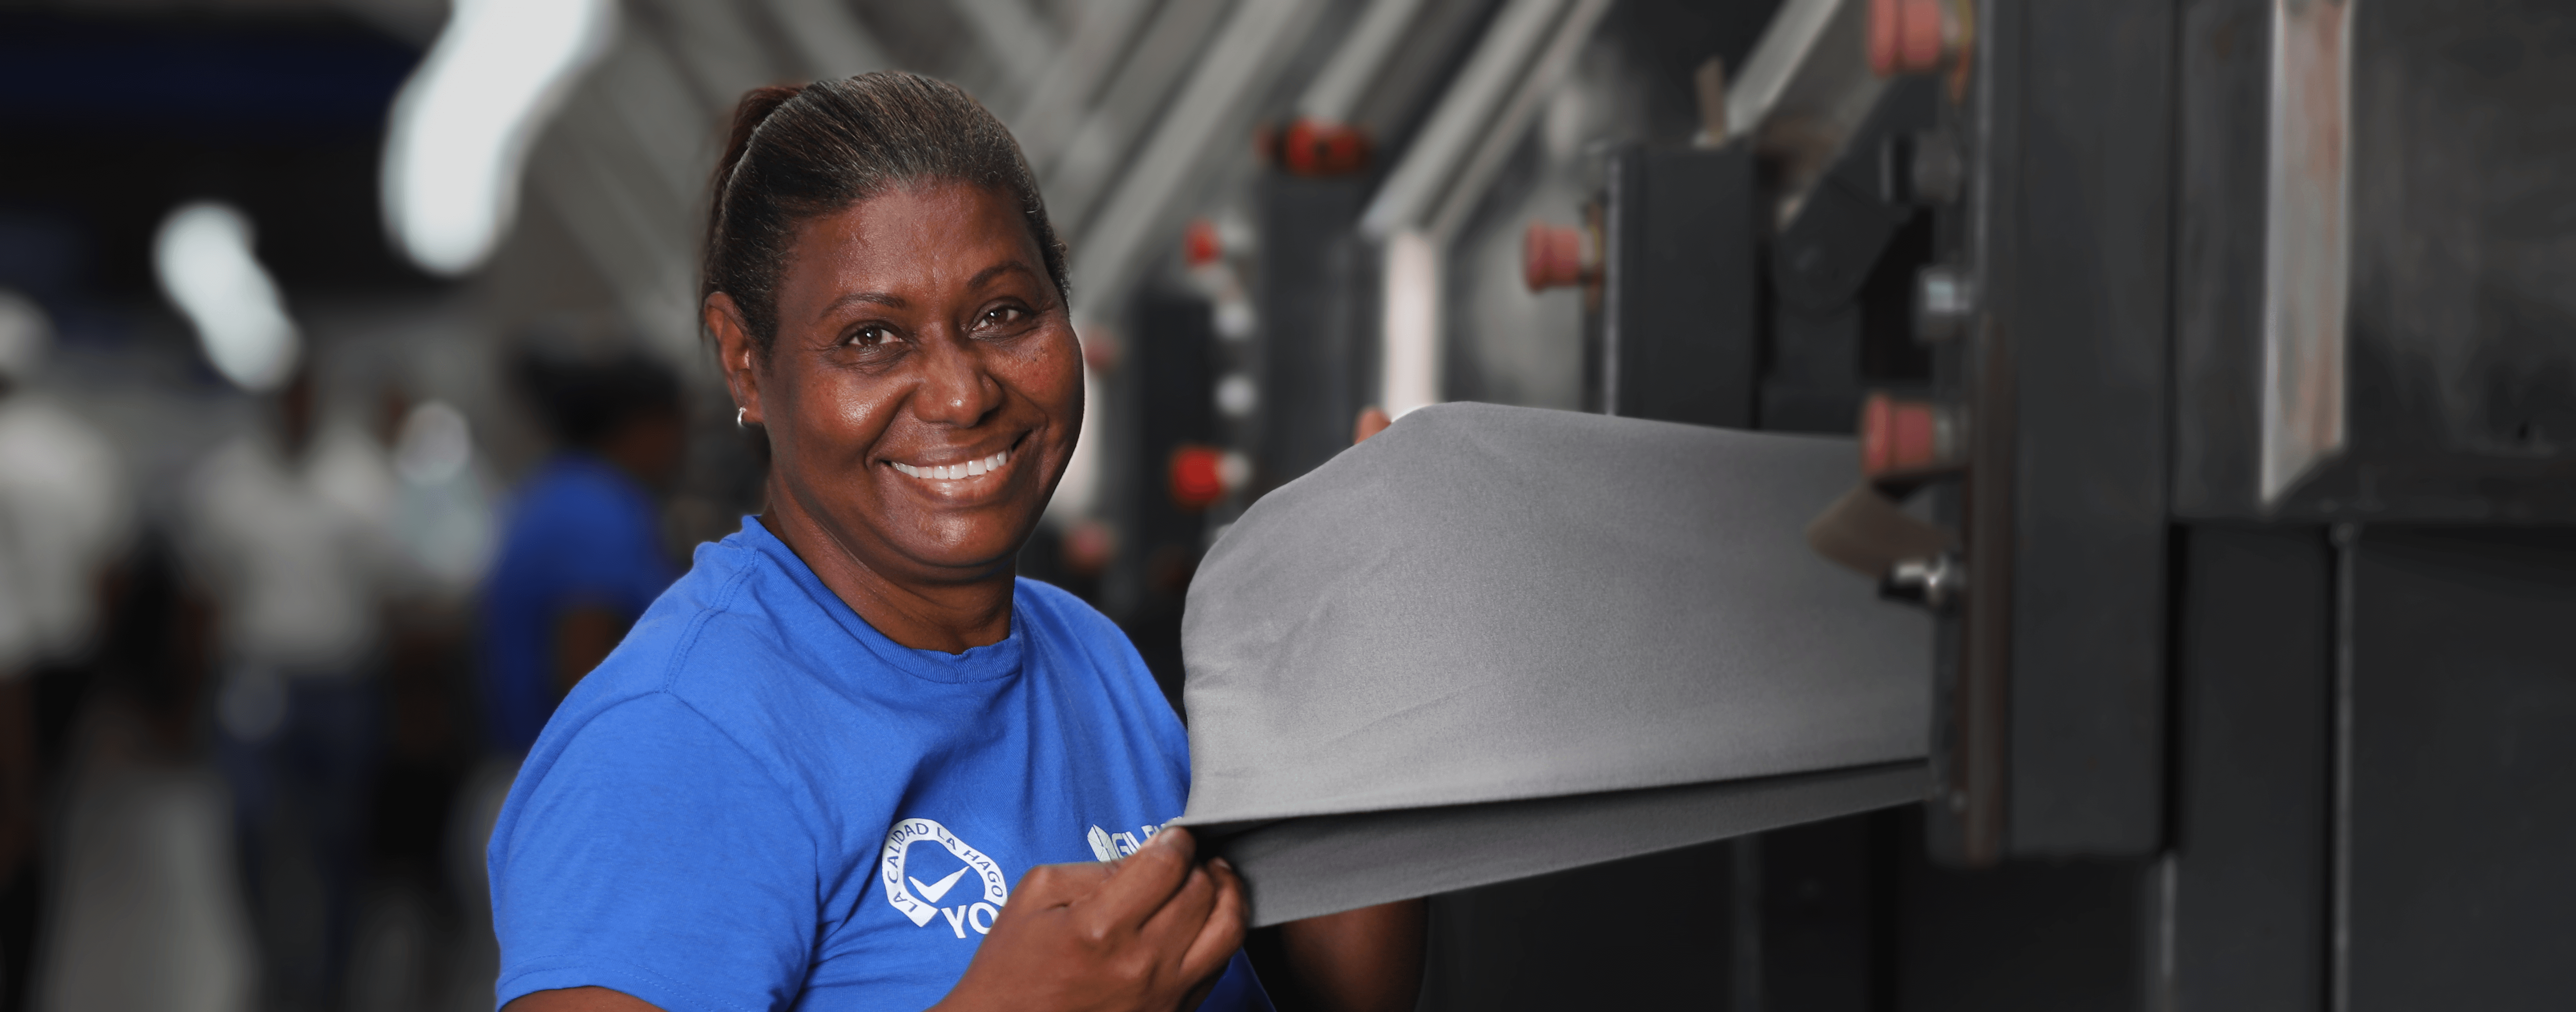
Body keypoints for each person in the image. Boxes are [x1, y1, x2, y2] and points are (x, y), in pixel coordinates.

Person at [487, 73, 1423, 1012]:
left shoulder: (1087, 656)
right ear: (743, 357)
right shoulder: (677, 735)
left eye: (1003, 314)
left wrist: (1372, 645)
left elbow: (1335, 1000)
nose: (962, 392)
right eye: (870, 337)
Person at [181, 363, 420, 1012]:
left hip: (342, 684)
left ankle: (332, 976)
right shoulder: (226, 483)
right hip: (255, 681)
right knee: (251, 828)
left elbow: (395, 593)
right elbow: (204, 591)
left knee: (339, 836)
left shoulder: (365, 482)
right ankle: (271, 963)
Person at [0, 291, 132, 1012]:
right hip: (62, 662)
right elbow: (106, 573)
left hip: (17, 660)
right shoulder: (80, 452)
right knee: (38, 825)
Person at [478, 349, 684, 755]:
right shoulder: (599, 513)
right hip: (572, 767)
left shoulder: (557, 488)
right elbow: (581, 670)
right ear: (645, 427)